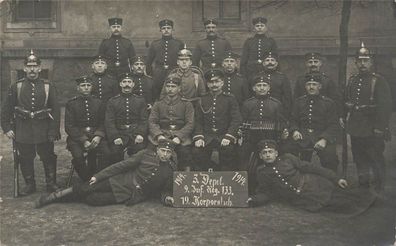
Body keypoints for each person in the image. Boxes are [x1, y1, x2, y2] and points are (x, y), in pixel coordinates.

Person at [35, 139, 177, 208]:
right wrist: (98, 176)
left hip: (127, 194)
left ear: (172, 154)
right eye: (162, 151)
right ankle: (52, 198)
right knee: (86, 187)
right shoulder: (145, 155)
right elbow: (120, 166)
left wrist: (167, 199)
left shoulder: (170, 170)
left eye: (168, 152)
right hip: (119, 181)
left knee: (93, 200)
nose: (164, 155)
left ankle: (72, 196)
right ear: (157, 150)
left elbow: (164, 190)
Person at [248, 140, 377, 215]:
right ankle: (367, 208)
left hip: (314, 185)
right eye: (264, 153)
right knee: (340, 207)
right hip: (303, 199)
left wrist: (335, 178)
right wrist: (253, 200)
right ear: (260, 156)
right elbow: (266, 192)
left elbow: (312, 168)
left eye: (270, 152)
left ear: (276, 153)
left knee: (347, 195)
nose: (268, 155)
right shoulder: (262, 172)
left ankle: (373, 203)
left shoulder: (288, 158)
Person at [1, 50, 60, 195]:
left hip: (44, 128)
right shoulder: (17, 86)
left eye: (35, 66)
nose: (32, 69)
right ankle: (30, 184)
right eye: (29, 66)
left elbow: (56, 111)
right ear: (24, 68)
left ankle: (51, 183)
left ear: (40, 68)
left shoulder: (48, 86)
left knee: (48, 156)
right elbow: (5, 110)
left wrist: (53, 131)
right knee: (25, 157)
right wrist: (7, 128)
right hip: (23, 128)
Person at [342, 42, 392, 192]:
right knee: (359, 157)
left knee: (375, 157)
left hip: (372, 127)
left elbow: (385, 107)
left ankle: (379, 187)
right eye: (360, 61)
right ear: (356, 62)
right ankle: (363, 185)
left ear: (371, 62)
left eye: (366, 60)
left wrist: (380, 128)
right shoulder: (352, 80)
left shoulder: (378, 80)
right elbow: (346, 99)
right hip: (356, 126)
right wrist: (345, 111)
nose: (363, 64)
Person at [192, 69, 242, 171]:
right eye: (211, 82)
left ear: (222, 82)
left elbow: (236, 119)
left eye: (217, 81)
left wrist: (229, 136)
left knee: (229, 151)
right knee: (197, 152)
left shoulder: (230, 99)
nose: (214, 84)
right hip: (207, 136)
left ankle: (226, 180)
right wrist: (199, 137)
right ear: (207, 84)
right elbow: (198, 120)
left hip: (223, 135)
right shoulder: (202, 99)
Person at [289, 74, 340, 173]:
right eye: (308, 84)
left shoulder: (328, 103)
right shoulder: (299, 102)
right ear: (305, 86)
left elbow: (333, 124)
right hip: (302, 136)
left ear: (320, 86)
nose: (311, 87)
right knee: (289, 152)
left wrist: (324, 139)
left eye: (314, 84)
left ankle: (331, 182)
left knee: (330, 157)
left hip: (321, 136)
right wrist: (295, 130)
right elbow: (293, 120)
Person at [65, 76, 112, 181]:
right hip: (77, 138)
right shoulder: (71, 104)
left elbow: (103, 121)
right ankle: (86, 179)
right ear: (78, 88)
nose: (86, 87)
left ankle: (99, 177)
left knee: (107, 153)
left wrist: (99, 136)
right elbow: (69, 126)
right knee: (78, 157)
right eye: (83, 85)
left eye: (88, 85)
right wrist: (83, 140)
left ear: (91, 87)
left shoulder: (99, 102)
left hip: (96, 135)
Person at [240, 76, 288, 172]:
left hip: (271, 138)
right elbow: (242, 122)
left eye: (264, 85)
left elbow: (282, 123)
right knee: (243, 155)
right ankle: (246, 180)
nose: (262, 88)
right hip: (252, 139)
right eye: (259, 85)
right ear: (254, 88)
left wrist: (283, 133)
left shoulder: (276, 104)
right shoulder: (247, 104)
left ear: (269, 88)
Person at [149, 76, 195, 171]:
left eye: (173, 86)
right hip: (162, 134)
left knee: (185, 153)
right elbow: (152, 121)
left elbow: (190, 123)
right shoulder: (158, 104)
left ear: (179, 88)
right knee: (151, 152)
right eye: (168, 86)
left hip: (180, 137)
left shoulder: (187, 104)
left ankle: (183, 178)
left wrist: (179, 137)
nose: (170, 89)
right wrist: (158, 135)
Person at [105, 73, 148, 163]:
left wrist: (140, 134)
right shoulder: (113, 101)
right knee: (114, 152)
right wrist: (115, 137)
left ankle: (136, 175)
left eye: (129, 82)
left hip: (135, 133)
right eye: (124, 82)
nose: (127, 84)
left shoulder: (140, 100)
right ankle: (118, 175)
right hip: (119, 133)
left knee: (140, 151)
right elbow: (109, 121)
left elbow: (144, 120)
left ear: (133, 84)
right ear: (120, 84)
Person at [294, 52, 342, 118]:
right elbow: (296, 99)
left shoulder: (328, 81)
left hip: (323, 115)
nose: (313, 64)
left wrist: (338, 116)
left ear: (320, 63)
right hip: (304, 115)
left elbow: (335, 100)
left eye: (315, 62)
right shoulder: (300, 80)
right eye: (310, 62)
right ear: (306, 64)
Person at [146, 19, 184, 100]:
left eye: (168, 28)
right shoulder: (155, 44)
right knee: (158, 93)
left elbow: (183, 59)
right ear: (160, 30)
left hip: (174, 71)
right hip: (158, 73)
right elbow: (149, 61)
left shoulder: (179, 43)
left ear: (172, 29)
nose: (166, 30)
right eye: (164, 28)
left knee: (174, 92)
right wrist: (151, 74)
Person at [240, 16, 278, 82]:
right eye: (257, 26)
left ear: (266, 28)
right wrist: (244, 74)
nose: (259, 28)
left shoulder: (271, 41)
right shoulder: (249, 41)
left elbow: (276, 58)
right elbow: (244, 60)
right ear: (254, 28)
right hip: (251, 72)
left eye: (262, 26)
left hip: (267, 71)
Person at [256, 51, 292, 116]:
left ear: (276, 63)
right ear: (263, 63)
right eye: (267, 60)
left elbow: (287, 97)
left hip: (278, 110)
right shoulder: (257, 76)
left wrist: (285, 113)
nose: (270, 62)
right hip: (260, 109)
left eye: (272, 60)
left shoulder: (283, 77)